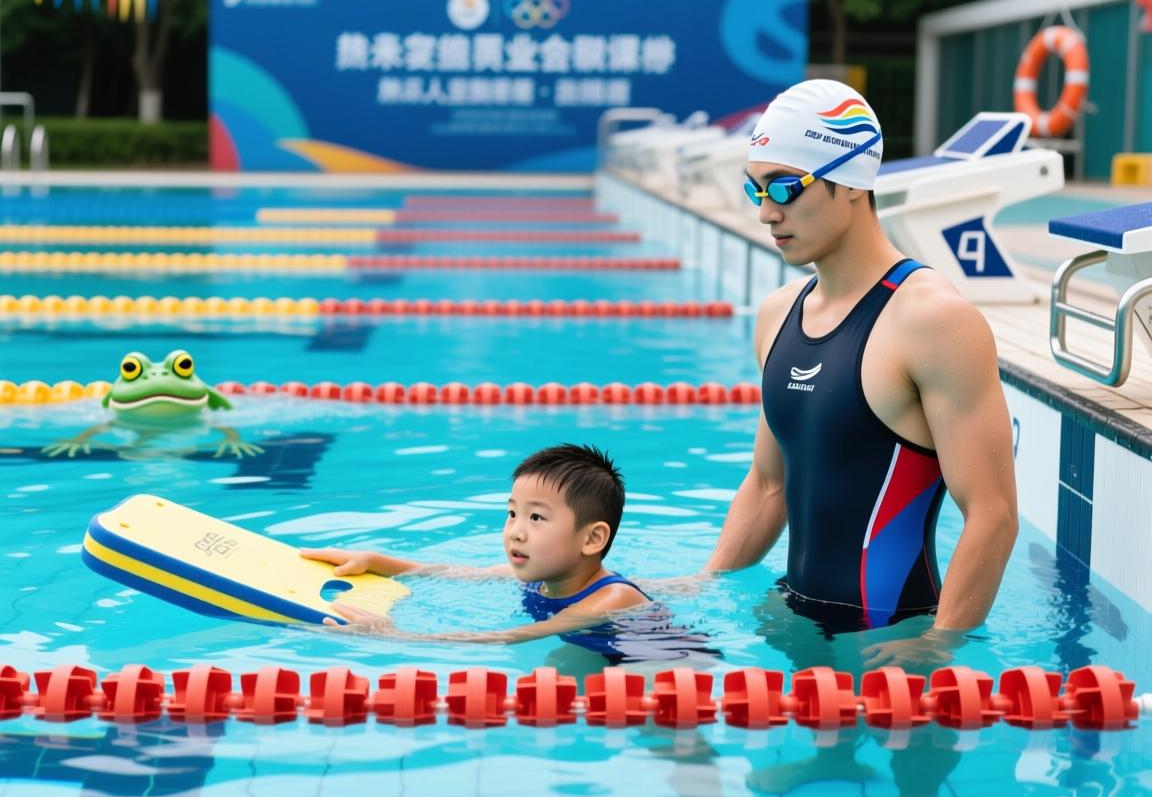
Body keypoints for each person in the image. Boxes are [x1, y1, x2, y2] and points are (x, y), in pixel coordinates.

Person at [705, 79, 1019, 669]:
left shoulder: (932, 318)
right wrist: (704, 583)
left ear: (850, 181)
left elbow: (993, 513)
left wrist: (936, 647)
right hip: (791, 619)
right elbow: (768, 485)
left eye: (784, 187)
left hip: (898, 638)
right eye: (755, 189)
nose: (767, 211)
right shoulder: (778, 315)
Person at [303, 442, 713, 663]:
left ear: (591, 539)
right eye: (512, 513)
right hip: (599, 650)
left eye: (536, 519)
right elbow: (446, 570)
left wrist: (397, 636)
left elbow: (511, 637)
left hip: (667, 664)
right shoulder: (541, 574)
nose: (515, 531)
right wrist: (378, 561)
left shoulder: (612, 598)